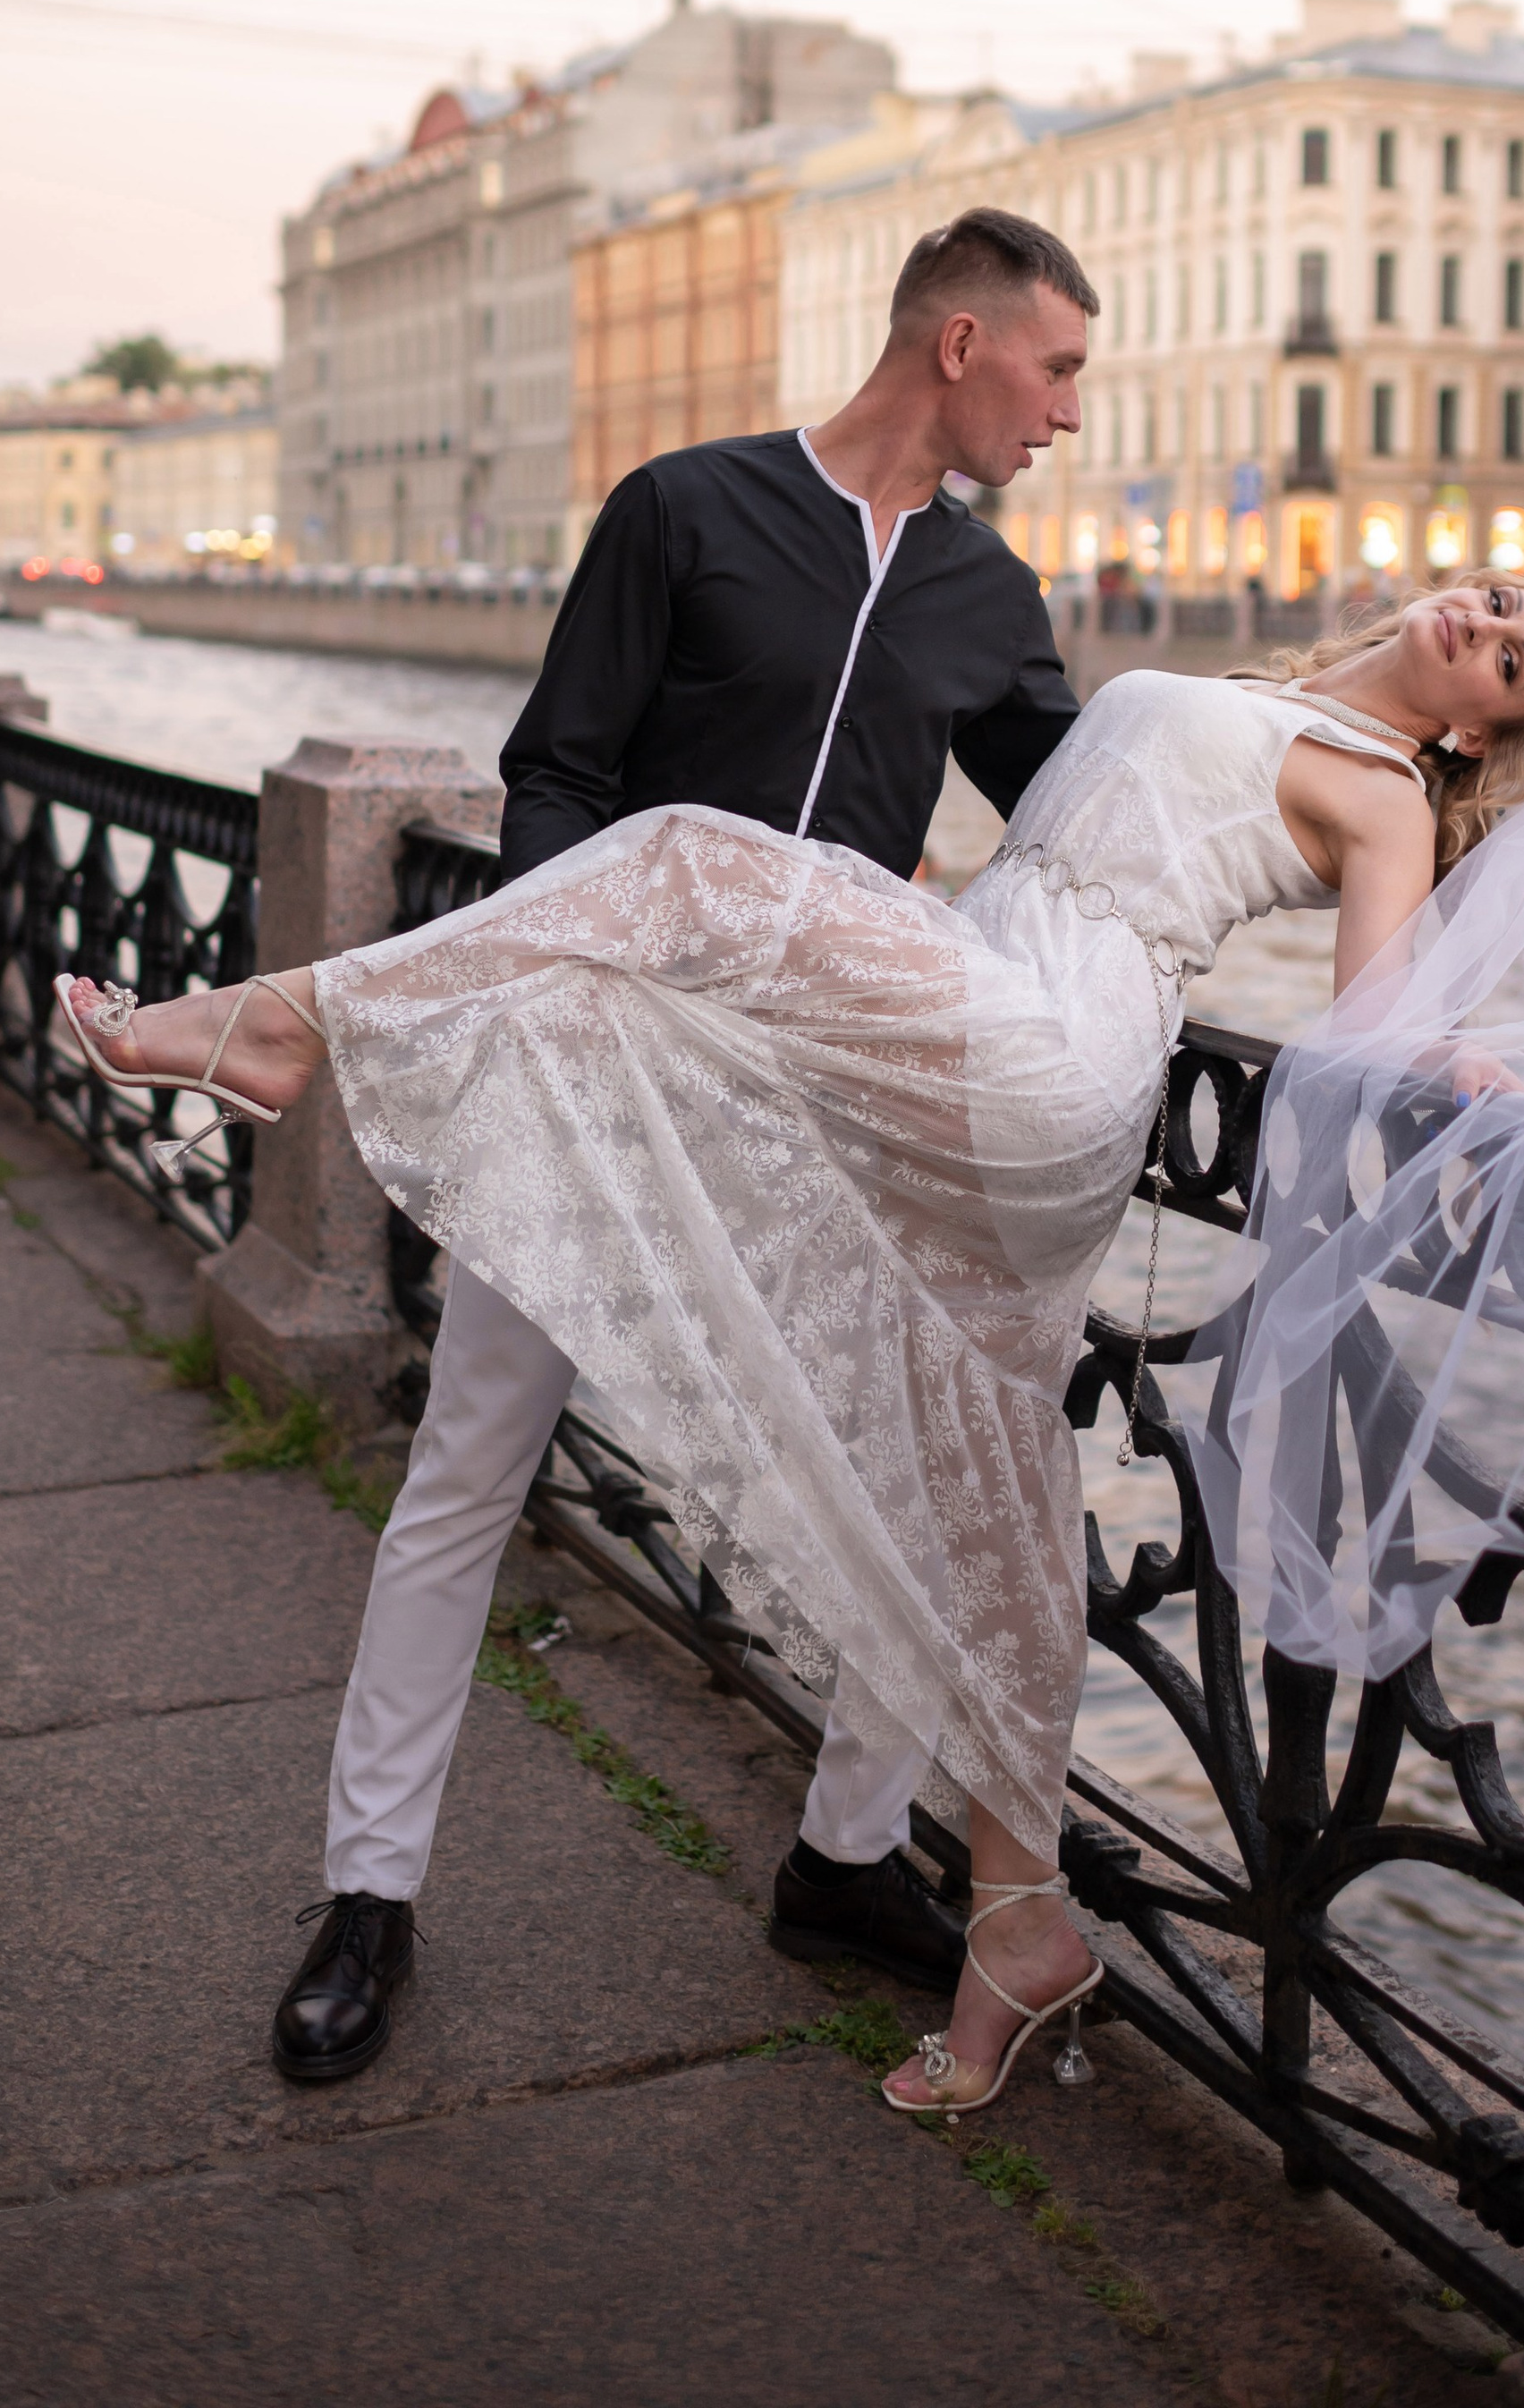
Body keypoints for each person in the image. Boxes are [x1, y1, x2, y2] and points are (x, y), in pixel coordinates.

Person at [66, 557, 1524, 2118]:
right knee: (976, 1470)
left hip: (1057, 1046)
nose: (1477, 626)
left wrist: (1449, 1056)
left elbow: (1373, 1019)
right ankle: (1016, 1919)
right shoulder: (1281, 693)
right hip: (990, 1003)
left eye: (1510, 659)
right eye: (1494, 599)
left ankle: (280, 1020)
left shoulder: (1394, 800)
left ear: (1487, 739)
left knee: (682, 859)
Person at [326, 204, 1098, 2073]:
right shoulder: (685, 509)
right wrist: (556, 1001)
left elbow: (1083, 832)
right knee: (468, 1475)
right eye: (1055, 368)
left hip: (826, 1117)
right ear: (956, 346)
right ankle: (364, 1896)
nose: (1067, 413)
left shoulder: (988, 599)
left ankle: (843, 1860)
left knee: (925, 1487)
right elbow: (562, 772)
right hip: (603, 1088)